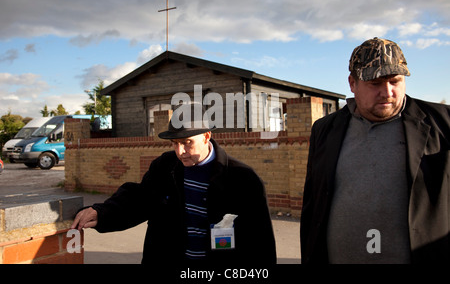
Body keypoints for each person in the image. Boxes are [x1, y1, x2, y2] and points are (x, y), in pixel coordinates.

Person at [300, 37, 450, 264]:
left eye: (395, 81)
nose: (387, 92)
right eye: (375, 83)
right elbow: (313, 203)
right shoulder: (324, 130)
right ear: (352, 84)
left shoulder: (443, 124)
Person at [71, 103, 276, 265]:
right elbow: (140, 199)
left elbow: (261, 242)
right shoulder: (164, 166)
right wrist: (102, 213)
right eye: (175, 143)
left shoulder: (243, 178)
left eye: (187, 142)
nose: (180, 152)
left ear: (206, 136)